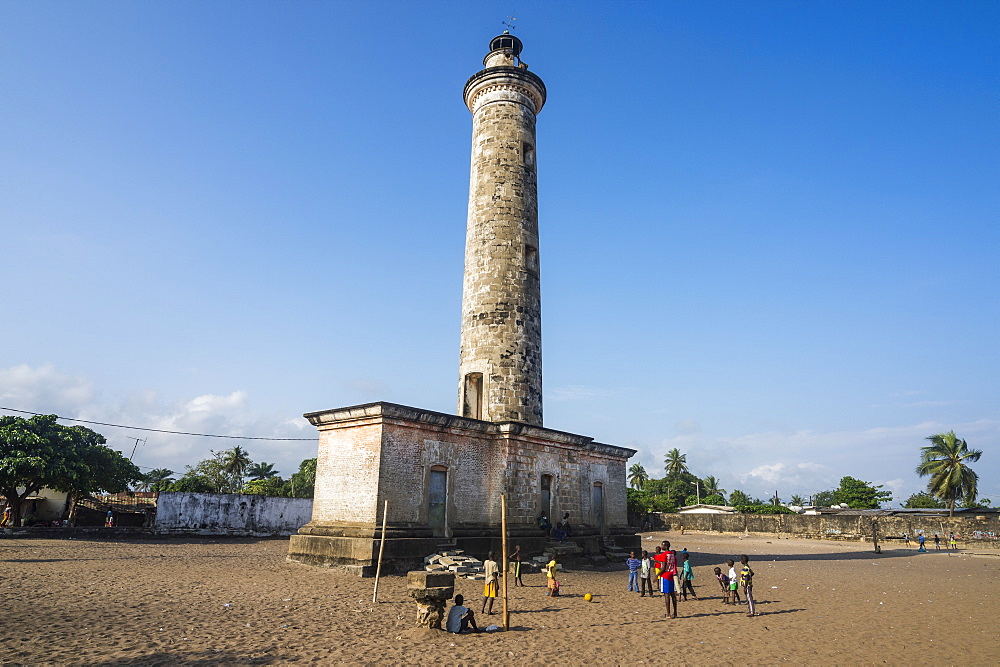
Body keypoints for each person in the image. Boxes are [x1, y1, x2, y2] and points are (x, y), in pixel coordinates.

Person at [653, 540, 678, 618]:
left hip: (665, 575)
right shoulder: (672, 555)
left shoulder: (664, 555)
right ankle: (675, 612)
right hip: (671, 575)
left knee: (666, 595)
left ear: (666, 546)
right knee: (672, 594)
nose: (661, 546)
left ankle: (668, 614)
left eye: (662, 545)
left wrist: (656, 575)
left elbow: (663, 567)